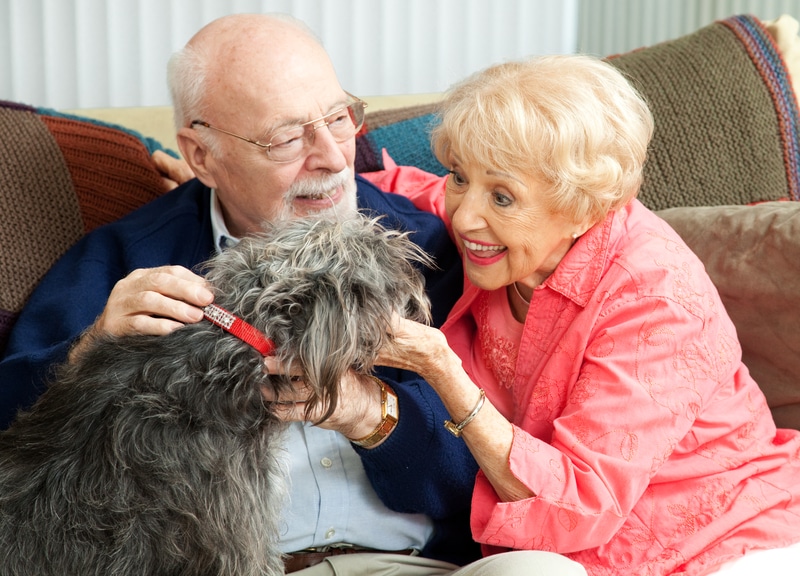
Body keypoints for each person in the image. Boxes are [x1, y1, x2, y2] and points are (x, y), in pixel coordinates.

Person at [0, 13, 587, 576]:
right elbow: (16, 436)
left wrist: (369, 414)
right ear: (202, 155)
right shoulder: (127, 259)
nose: (334, 159)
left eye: (338, 118)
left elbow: (487, 475)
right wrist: (89, 352)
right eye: (286, 138)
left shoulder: (429, 249)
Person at [369, 54, 800, 575]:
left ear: (581, 208)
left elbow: (580, 504)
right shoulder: (502, 224)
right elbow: (418, 188)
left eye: (502, 196)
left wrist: (444, 371)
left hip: (722, 544)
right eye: (460, 176)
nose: (464, 215)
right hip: (569, 554)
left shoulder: (654, 296)